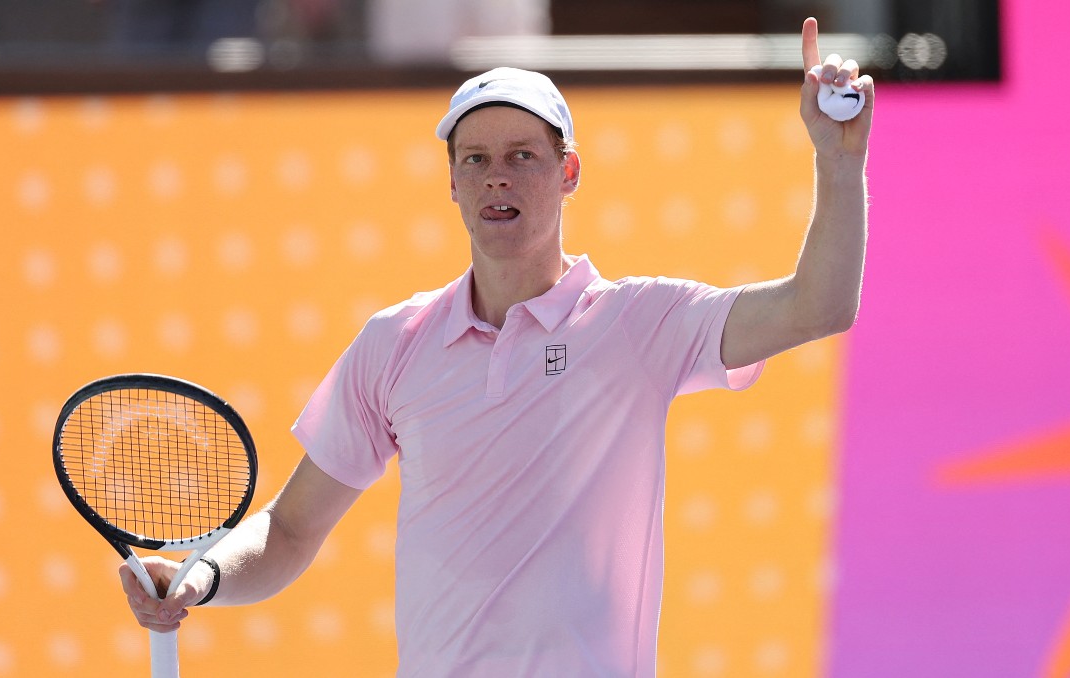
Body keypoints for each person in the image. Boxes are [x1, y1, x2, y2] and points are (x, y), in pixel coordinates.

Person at [121, 17, 873, 677]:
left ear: (568, 171)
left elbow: (819, 306)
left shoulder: (640, 323)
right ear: (451, 183)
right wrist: (202, 576)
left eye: (522, 155)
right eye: (475, 160)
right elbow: (288, 531)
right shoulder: (395, 344)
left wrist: (839, 166)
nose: (496, 178)